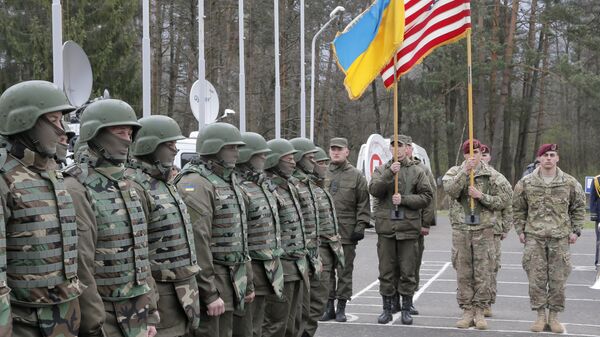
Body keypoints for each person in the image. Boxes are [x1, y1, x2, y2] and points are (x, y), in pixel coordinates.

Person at [64, 98, 159, 337]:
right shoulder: (76, 187)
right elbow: (81, 266)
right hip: (103, 316)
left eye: (129, 133)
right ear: (95, 134)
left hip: (136, 313)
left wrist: (150, 312)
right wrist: (94, 325)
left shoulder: (129, 185)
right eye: (120, 132)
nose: (127, 139)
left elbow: (141, 252)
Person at [0, 80, 84, 337]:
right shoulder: (5, 178)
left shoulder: (52, 174)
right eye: (54, 120)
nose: (62, 131)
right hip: (23, 323)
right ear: (25, 121)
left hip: (65, 319)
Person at [127, 115, 201, 336]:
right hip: (160, 294)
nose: (175, 150)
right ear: (150, 146)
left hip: (182, 292)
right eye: (169, 145)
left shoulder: (164, 183)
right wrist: (149, 306)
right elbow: (137, 253)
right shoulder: (136, 186)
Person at [174, 123, 250, 337]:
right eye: (231, 147)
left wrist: (246, 283)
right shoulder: (196, 183)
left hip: (230, 279)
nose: (236, 153)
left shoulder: (226, 180)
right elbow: (198, 241)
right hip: (212, 279)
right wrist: (209, 292)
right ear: (214, 148)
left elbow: (242, 237)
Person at [513, 143, 586, 333]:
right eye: (545, 155)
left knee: (558, 279)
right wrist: (520, 230)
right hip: (534, 238)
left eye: (552, 155)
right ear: (539, 159)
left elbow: (578, 207)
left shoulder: (569, 182)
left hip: (560, 238)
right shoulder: (526, 182)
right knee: (536, 279)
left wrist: (575, 230)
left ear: (557, 158)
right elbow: (518, 208)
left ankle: (554, 317)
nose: (548, 158)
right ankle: (539, 316)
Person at [442, 139, 511, 330]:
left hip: (484, 230)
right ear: (464, 155)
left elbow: (505, 200)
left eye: (477, 152)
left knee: (483, 271)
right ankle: (467, 310)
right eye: (469, 152)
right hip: (461, 230)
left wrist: (482, 196)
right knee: (463, 272)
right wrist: (465, 172)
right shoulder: (454, 172)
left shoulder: (493, 176)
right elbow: (450, 190)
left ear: (482, 154)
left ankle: (480, 310)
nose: (473, 156)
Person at [369, 134, 433, 325]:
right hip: (387, 228)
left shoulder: (417, 171)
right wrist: (390, 173)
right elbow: (374, 189)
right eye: (393, 146)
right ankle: (387, 308)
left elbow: (427, 196)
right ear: (390, 149)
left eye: (401, 146)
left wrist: (404, 200)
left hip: (408, 228)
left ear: (407, 148)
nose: (396, 149)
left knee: (407, 270)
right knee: (386, 270)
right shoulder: (382, 169)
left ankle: (406, 307)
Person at [232, 132, 284, 337]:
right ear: (247, 156)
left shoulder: (261, 186)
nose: (265, 159)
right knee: (248, 328)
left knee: (260, 325)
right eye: (260, 155)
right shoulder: (240, 188)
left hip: (267, 267)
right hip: (249, 268)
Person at [261, 138, 308, 337]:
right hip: (281, 267)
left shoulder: (289, 187)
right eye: (287, 158)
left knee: (293, 321)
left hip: (296, 263)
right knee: (276, 324)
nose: (293, 162)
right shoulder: (267, 189)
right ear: (274, 160)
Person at [322, 137, 370, 323]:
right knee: (326, 272)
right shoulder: (322, 173)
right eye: (333, 149)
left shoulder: (356, 175)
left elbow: (363, 204)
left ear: (347, 152)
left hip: (346, 233)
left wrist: (360, 226)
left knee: (344, 271)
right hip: (324, 232)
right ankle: (328, 306)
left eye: (339, 149)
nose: (336, 152)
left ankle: (341, 306)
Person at [303, 147, 344, 337]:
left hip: (327, 251)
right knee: (311, 306)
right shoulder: (303, 189)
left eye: (325, 163)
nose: (324, 167)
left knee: (317, 305)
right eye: (320, 163)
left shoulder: (320, 188)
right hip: (315, 253)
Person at [289, 137, 321, 336]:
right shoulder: (292, 185)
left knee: (306, 311)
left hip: (307, 255)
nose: (314, 163)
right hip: (295, 258)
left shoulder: (306, 184)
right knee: (293, 316)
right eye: (310, 158)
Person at [403, 136, 436, 316]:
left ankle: (409, 298)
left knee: (413, 263)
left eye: (406, 146)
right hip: (394, 224)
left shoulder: (421, 169)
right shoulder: (389, 167)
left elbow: (430, 198)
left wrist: (425, 223)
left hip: (415, 224)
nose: (402, 150)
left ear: (410, 148)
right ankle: (393, 299)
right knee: (393, 266)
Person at [479, 144, 512, 317]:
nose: (482, 157)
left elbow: (507, 204)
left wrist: (506, 226)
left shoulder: (497, 178)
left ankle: (488, 302)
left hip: (494, 229)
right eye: (479, 154)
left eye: (485, 155)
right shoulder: (471, 176)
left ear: (489, 157)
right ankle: (474, 302)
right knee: (475, 268)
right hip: (474, 228)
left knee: (491, 267)